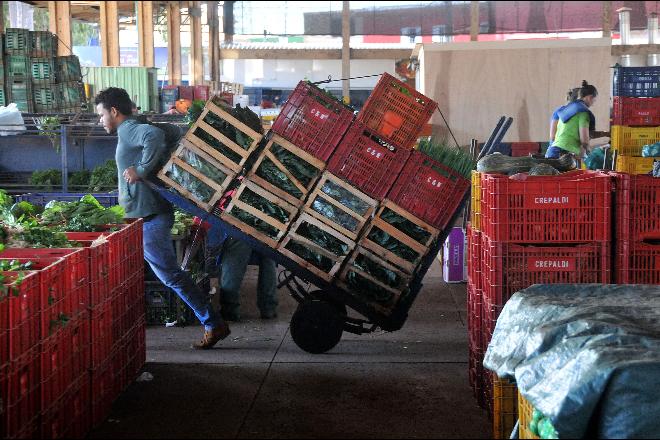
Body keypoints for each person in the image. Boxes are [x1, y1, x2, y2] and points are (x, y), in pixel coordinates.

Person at [94, 87, 230, 350]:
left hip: (151, 216)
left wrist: (141, 170)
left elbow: (155, 136)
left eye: (101, 115)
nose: (100, 121)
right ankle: (211, 322)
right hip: (143, 214)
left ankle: (213, 323)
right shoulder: (134, 126)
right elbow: (167, 133)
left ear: (114, 111)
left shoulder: (129, 129)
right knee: (161, 274)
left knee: (170, 275)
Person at [219, 237, 278, 321]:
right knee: (268, 258)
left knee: (234, 258)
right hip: (270, 231)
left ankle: (229, 309)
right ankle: (269, 308)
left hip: (242, 229)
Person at [545, 80, 598, 160]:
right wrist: (589, 152)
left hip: (552, 151)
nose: (593, 104)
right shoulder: (583, 113)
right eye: (594, 100)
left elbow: (553, 137)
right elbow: (584, 140)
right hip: (565, 155)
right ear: (590, 97)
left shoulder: (562, 111)